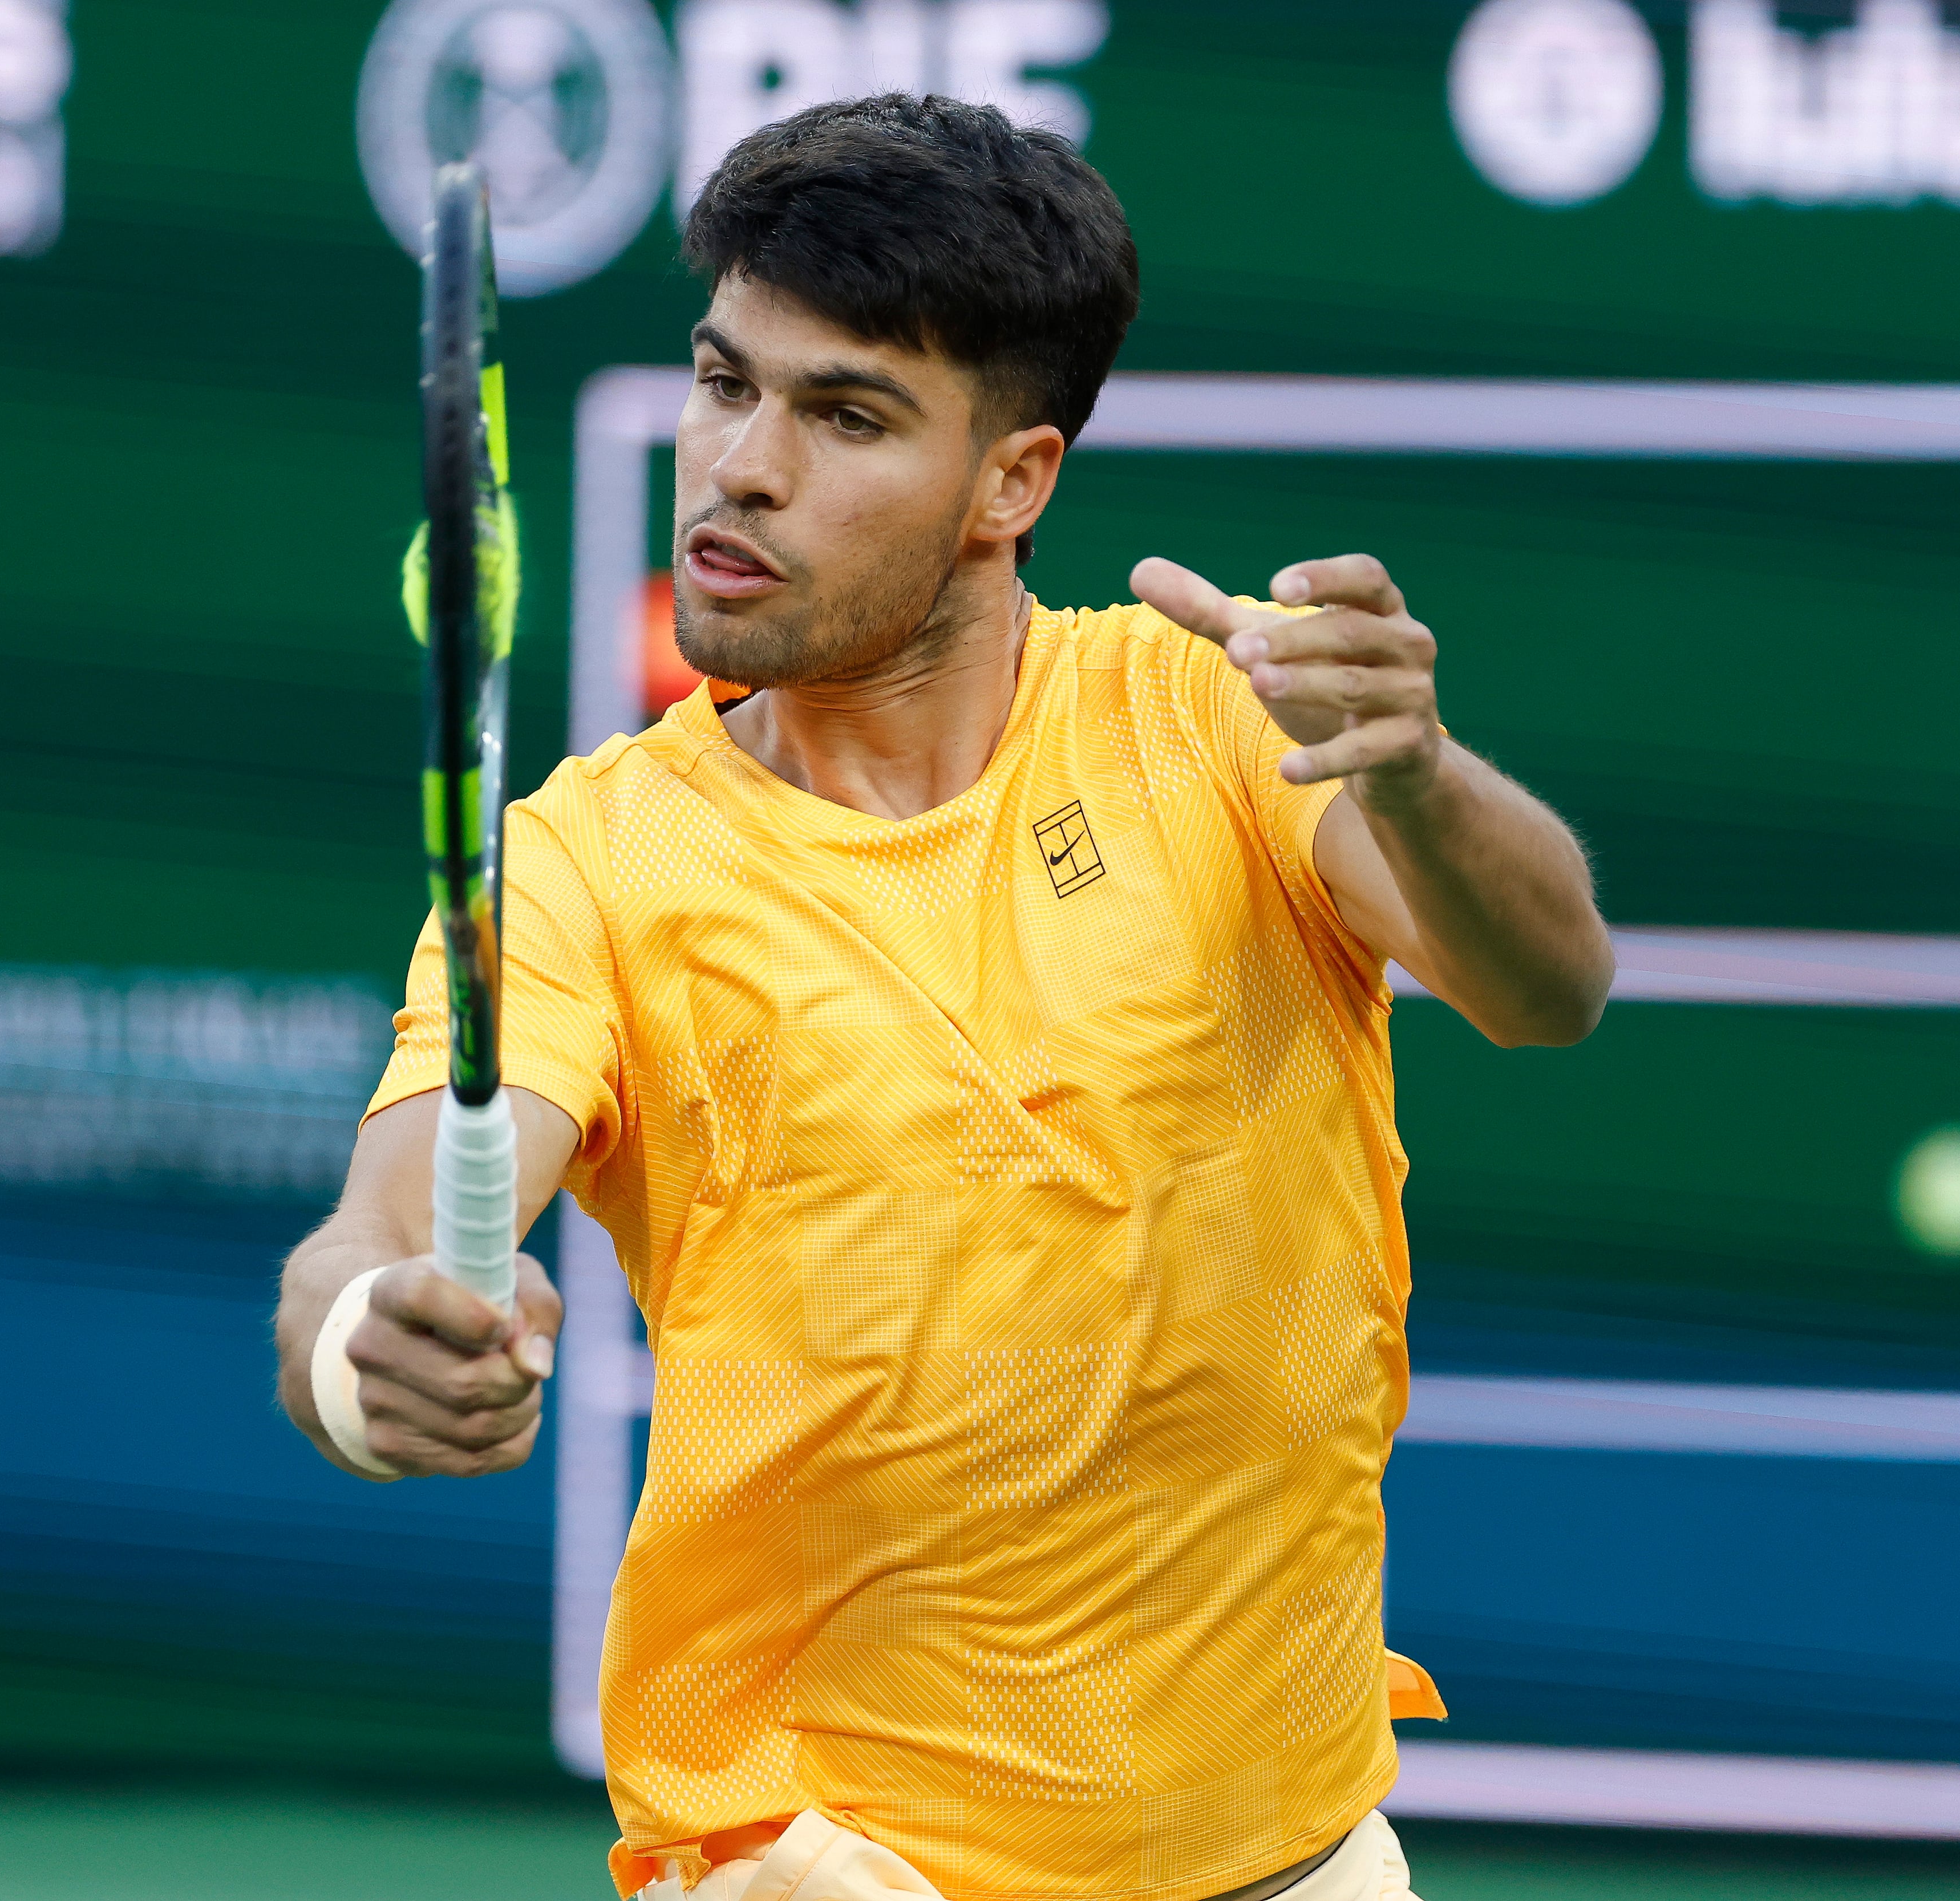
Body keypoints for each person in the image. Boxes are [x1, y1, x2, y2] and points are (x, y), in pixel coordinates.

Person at [275, 94, 1612, 1901]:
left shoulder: (1207, 720)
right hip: (837, 1866)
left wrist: (1421, 779)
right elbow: (368, 1249)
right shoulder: (592, 867)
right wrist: (379, 1355)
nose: (740, 467)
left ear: (1014, 481)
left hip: (1286, 1845)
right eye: (722, 380)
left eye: (846, 417)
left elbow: (1546, 989)